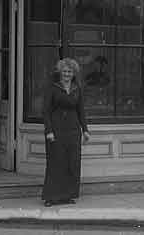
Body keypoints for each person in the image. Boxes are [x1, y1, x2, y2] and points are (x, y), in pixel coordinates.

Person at [41, 57, 91, 206]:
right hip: (56, 130)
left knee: (72, 163)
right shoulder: (52, 87)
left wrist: (85, 130)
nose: (67, 74)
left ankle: (67, 196)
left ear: (74, 73)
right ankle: (51, 197)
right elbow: (45, 111)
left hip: (73, 130)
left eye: (70, 72)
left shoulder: (77, 88)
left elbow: (81, 110)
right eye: (64, 71)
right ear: (60, 72)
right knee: (56, 163)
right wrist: (48, 130)